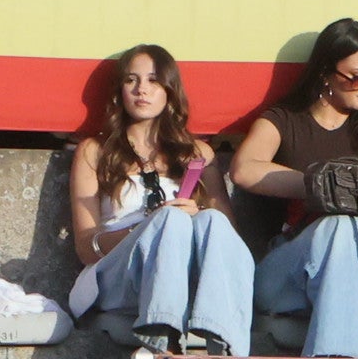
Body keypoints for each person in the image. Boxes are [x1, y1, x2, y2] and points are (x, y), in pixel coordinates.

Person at [229, 19, 358, 359]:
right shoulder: (285, 120)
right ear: (325, 73)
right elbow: (243, 169)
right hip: (289, 271)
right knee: (340, 225)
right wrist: (324, 185)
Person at [65, 43, 254, 359]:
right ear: (120, 91)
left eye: (153, 81)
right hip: (118, 276)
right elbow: (86, 247)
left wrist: (197, 212)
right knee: (168, 220)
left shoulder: (198, 153)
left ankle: (225, 347)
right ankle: (162, 345)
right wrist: (145, 230)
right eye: (131, 80)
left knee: (210, 219)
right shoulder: (94, 151)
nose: (142, 90)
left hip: (185, 279)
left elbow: (228, 240)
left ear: (169, 90)